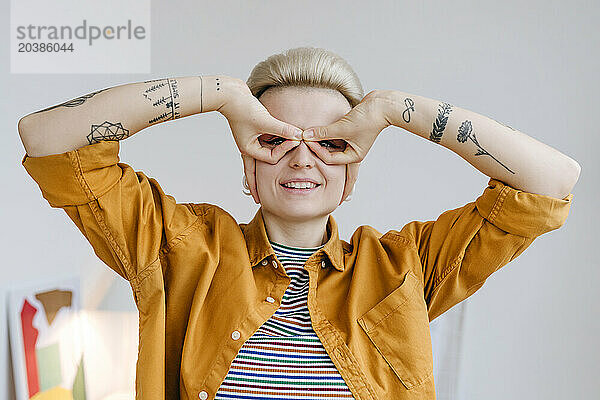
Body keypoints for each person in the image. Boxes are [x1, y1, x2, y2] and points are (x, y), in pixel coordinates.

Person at [19, 47, 578, 400]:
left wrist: (389, 108)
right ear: (246, 159)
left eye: (332, 144)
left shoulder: (405, 268)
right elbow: (47, 138)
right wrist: (218, 95)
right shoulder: (181, 249)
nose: (303, 159)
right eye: (275, 139)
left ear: (353, 169)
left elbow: (551, 180)